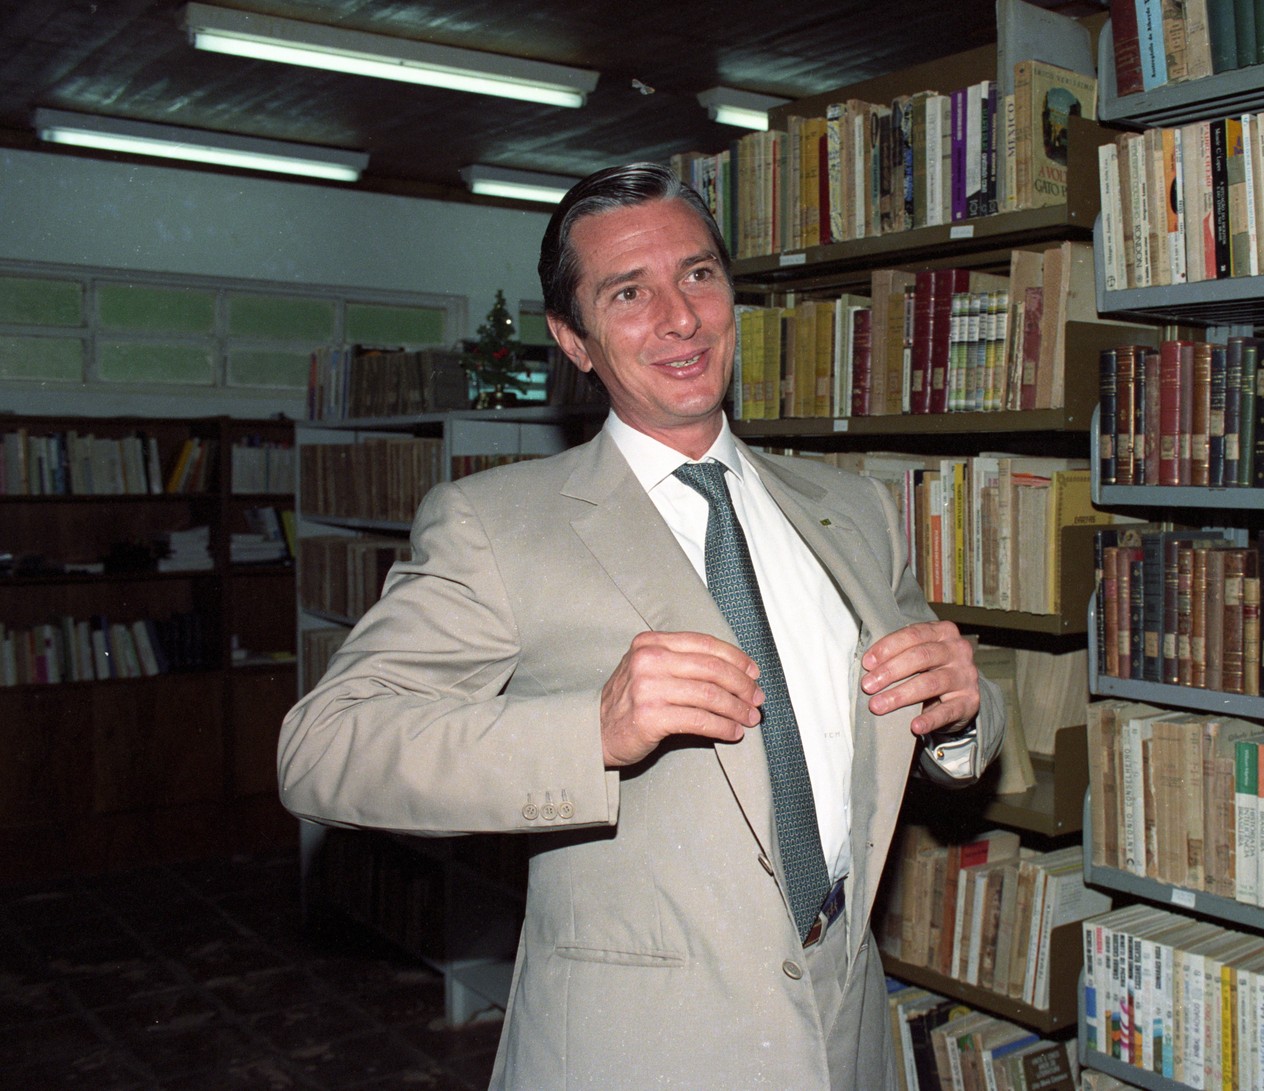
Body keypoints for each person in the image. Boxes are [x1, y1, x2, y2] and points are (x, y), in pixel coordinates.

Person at [279, 162, 1004, 1089]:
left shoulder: (852, 509)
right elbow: (321, 746)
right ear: (573, 340)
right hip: (635, 1051)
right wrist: (591, 732)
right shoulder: (494, 524)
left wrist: (965, 709)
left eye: (699, 274)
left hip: (847, 1029)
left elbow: (947, 710)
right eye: (629, 292)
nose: (680, 317)